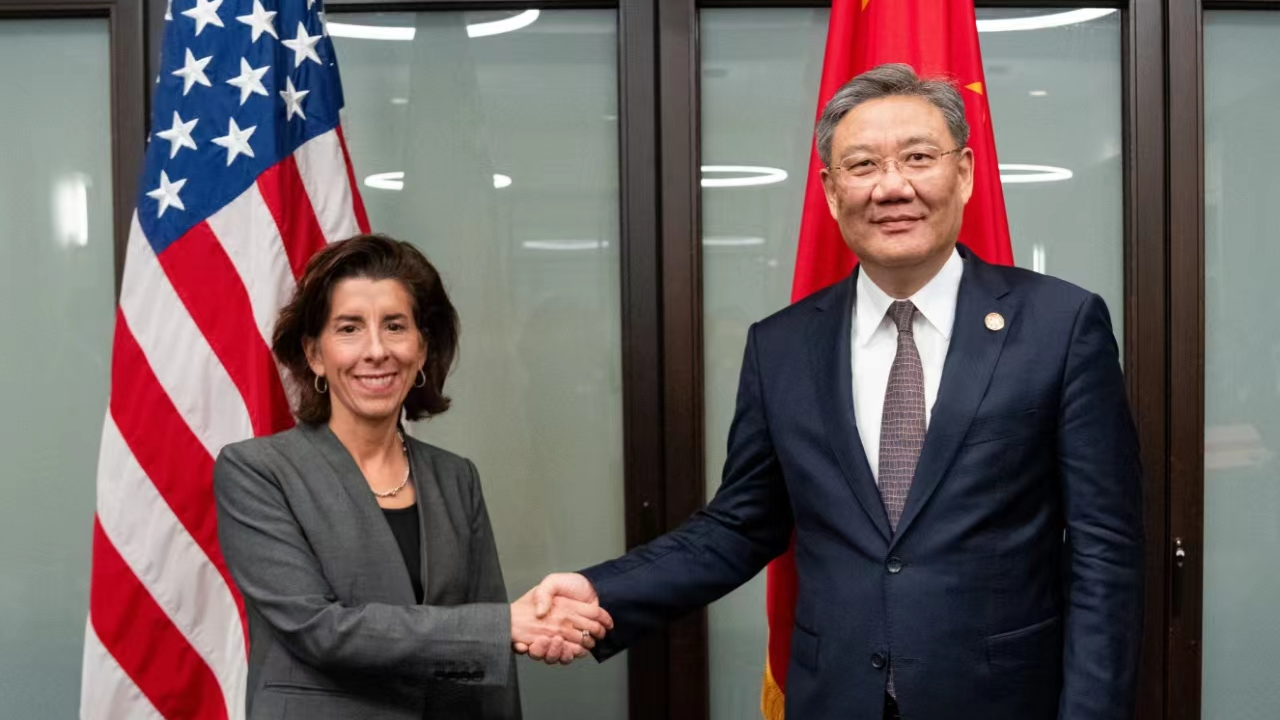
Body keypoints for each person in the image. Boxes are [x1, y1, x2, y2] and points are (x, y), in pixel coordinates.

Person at [523, 63, 1144, 720]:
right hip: (834, 698)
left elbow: (1106, 551)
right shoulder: (782, 345)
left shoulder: (1060, 325)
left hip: (1002, 697)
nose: (892, 186)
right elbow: (739, 525)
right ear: (829, 189)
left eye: (918, 158)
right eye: (863, 165)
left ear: (963, 174)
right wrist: (600, 593)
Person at [214, 234, 613, 720]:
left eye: (396, 326)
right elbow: (319, 629)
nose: (377, 350)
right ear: (315, 354)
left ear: (422, 349)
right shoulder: (257, 472)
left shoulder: (455, 478)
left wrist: (516, 629)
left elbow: (491, 669)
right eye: (349, 328)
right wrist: (505, 625)